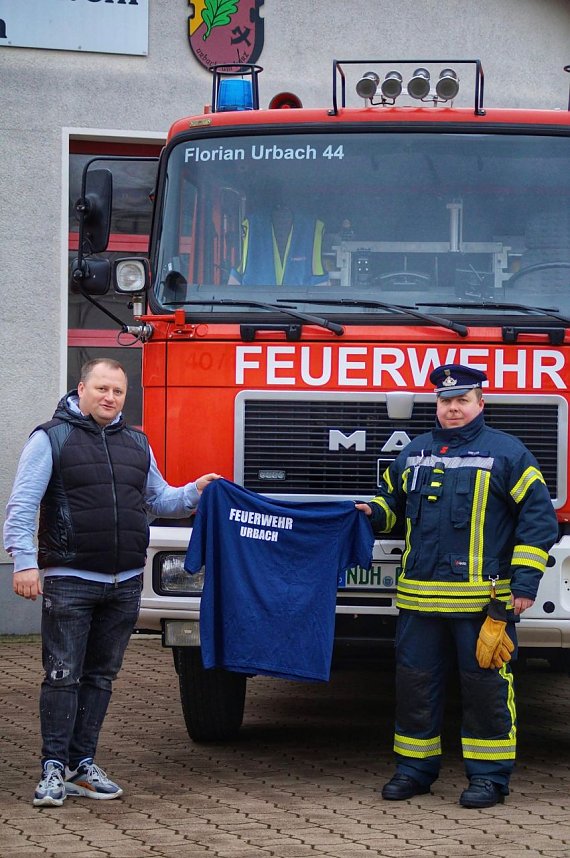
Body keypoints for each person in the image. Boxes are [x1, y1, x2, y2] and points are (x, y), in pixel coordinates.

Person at [3, 358, 220, 808]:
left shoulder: (137, 442)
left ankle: (83, 764)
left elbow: (161, 499)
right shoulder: (51, 438)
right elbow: (22, 506)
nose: (110, 397)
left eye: (118, 391)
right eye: (101, 388)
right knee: (63, 676)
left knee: (101, 677)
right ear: (81, 389)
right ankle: (52, 769)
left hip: (124, 583)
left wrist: (197, 490)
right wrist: (24, 564)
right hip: (69, 580)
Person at [355, 363, 558, 808]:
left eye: (462, 400)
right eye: (446, 401)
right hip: (419, 603)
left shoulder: (508, 453)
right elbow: (391, 504)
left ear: (479, 404)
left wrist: (523, 584)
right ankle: (413, 770)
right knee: (414, 686)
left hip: (484, 605)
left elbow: (538, 521)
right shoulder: (415, 453)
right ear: (437, 405)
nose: (453, 408)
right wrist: (371, 513)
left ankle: (489, 778)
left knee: (486, 689)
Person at [228, 200, 328, 286]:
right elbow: (231, 296)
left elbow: (324, 298)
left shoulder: (313, 229)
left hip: (303, 308)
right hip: (255, 307)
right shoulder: (251, 227)